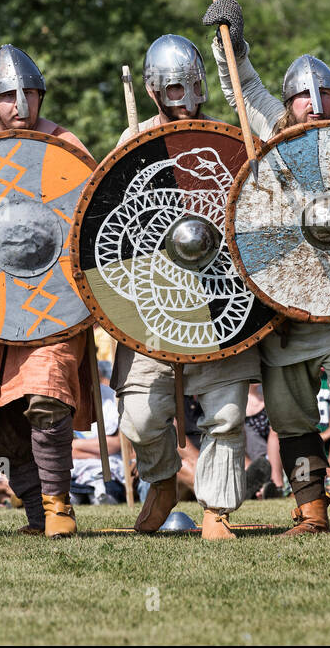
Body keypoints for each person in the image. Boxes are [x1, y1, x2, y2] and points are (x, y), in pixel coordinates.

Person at [202, 3, 330, 536]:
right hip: (284, 304)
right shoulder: (269, 131)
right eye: (305, 95)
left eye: (324, 94)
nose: (315, 103)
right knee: (290, 419)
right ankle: (310, 508)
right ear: (289, 102)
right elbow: (240, 84)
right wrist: (230, 43)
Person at [109, 33, 262, 540]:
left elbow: (260, 216)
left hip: (222, 293)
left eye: (192, 87)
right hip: (155, 298)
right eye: (173, 89)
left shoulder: (225, 142)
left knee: (225, 413)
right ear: (153, 91)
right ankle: (161, 482)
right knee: (141, 415)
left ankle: (217, 510)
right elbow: (109, 235)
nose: (184, 97)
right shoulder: (130, 147)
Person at [0, 44, 87, 538]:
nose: (21, 105)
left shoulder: (66, 146)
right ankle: (36, 509)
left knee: (47, 395)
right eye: (9, 96)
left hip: (53, 297)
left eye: (29, 93)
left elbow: (90, 221)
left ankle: (58, 508)